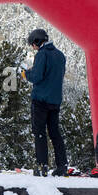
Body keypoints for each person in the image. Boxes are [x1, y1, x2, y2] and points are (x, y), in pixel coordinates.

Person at [20, 28, 67, 177]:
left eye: (32, 44)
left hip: (41, 100)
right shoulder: (60, 55)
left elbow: (37, 76)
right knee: (55, 133)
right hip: (55, 100)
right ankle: (62, 165)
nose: (33, 48)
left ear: (37, 42)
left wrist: (25, 74)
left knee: (39, 133)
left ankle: (42, 165)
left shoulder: (42, 54)